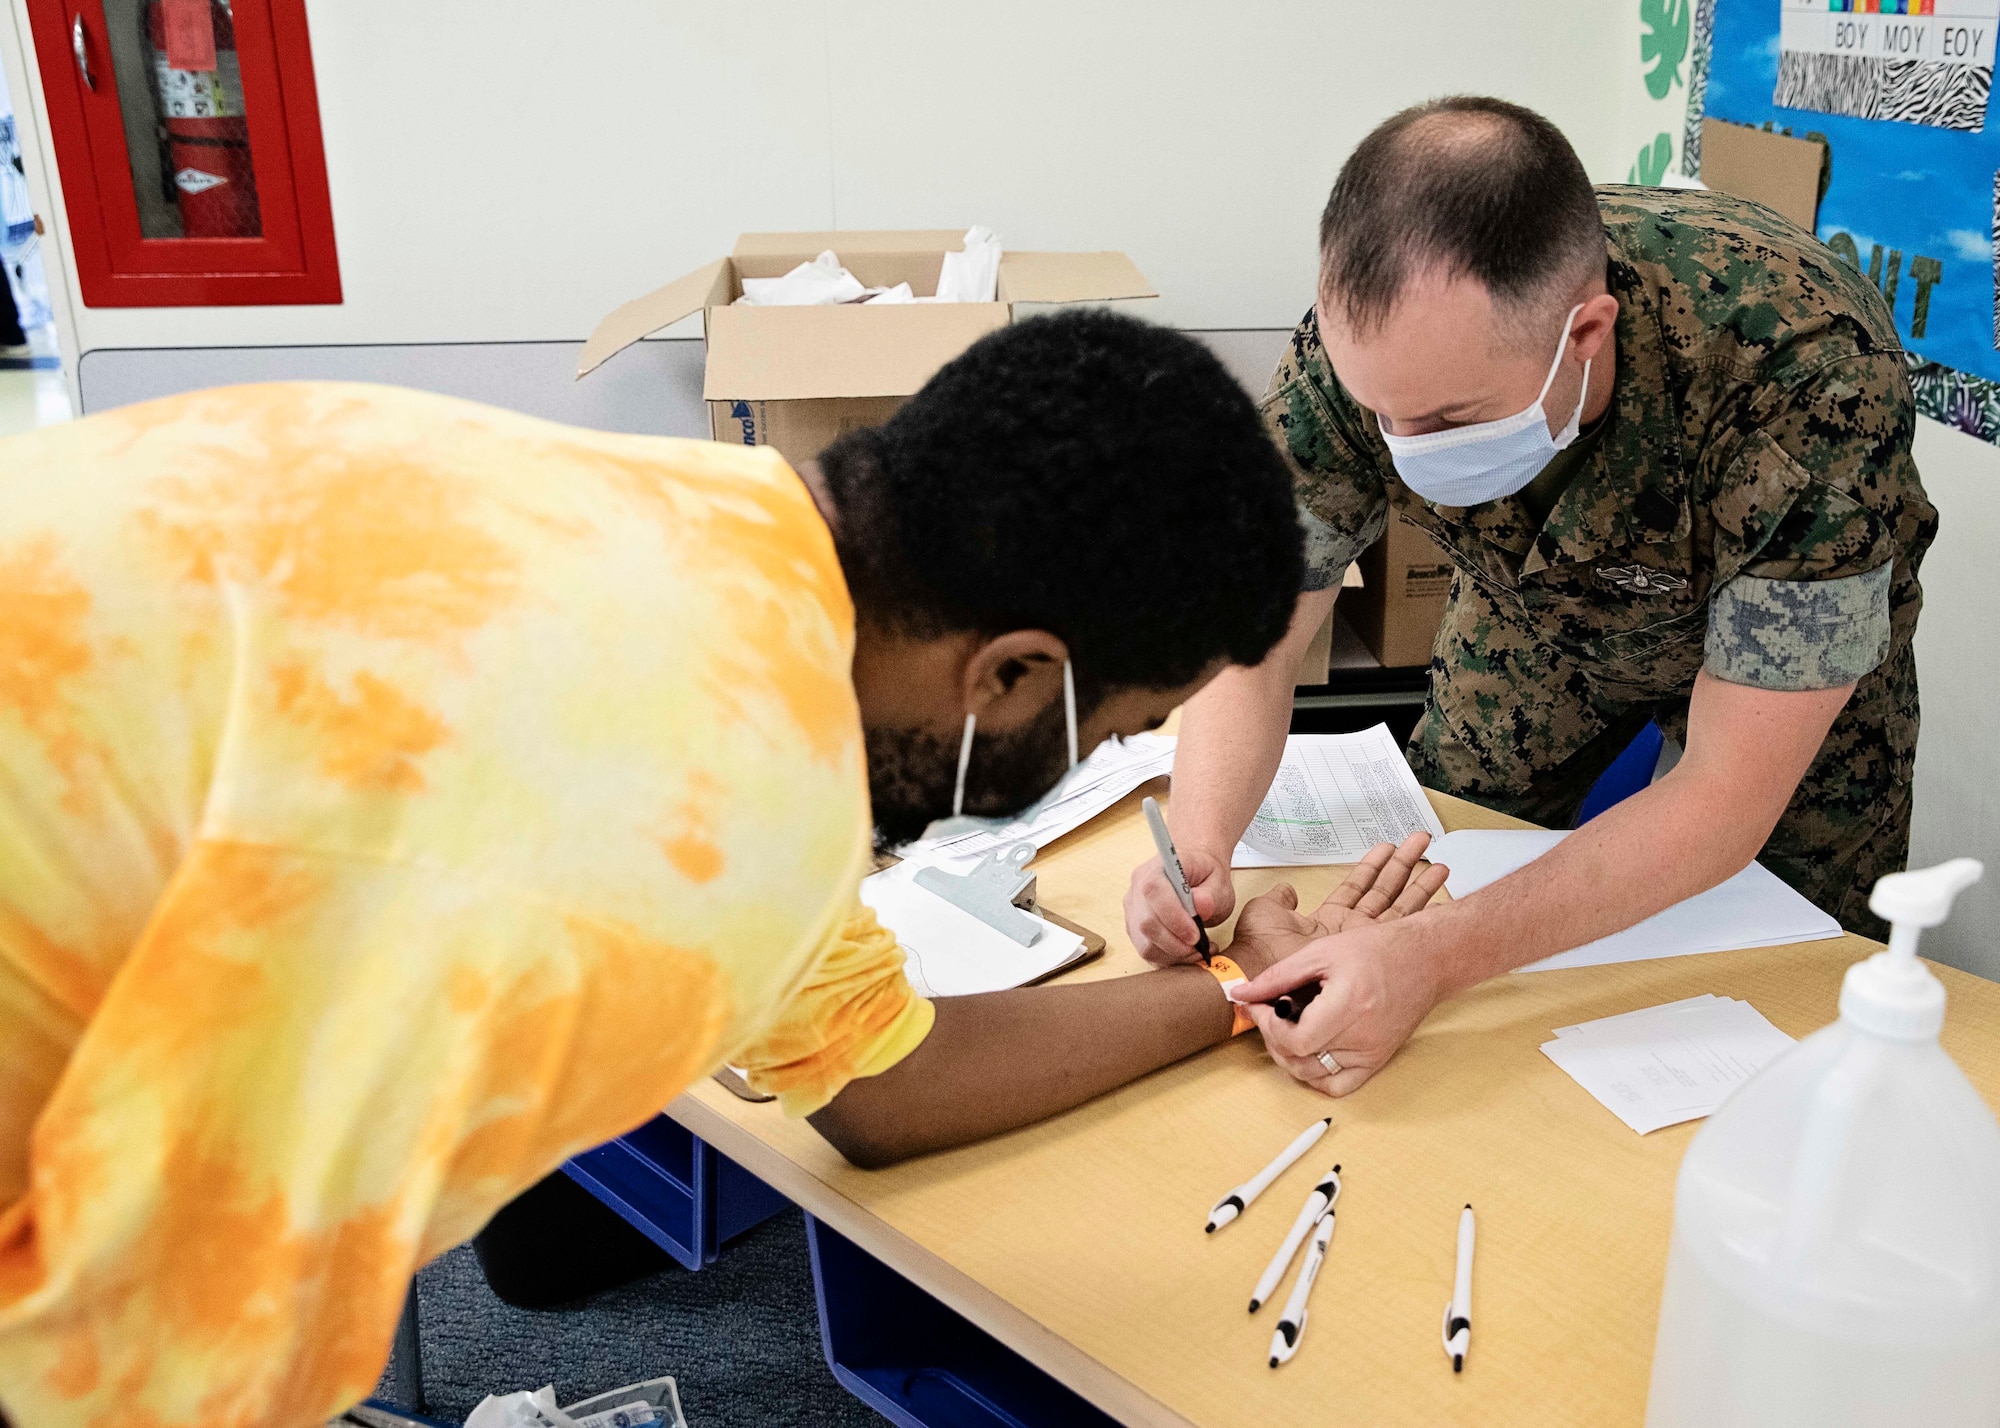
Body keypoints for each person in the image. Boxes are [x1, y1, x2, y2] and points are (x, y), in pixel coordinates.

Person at [0, 311, 1446, 1427]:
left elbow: (884, 1082)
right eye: (1115, 732)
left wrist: (1238, 989)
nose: (1092, 775)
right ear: (1014, 675)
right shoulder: (669, 839)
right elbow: (134, 1363)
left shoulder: (714, 538)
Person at [1126, 96, 1937, 1099]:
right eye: (1383, 416)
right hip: (1532, 617)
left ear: (1583, 333)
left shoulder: (1803, 375)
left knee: (1781, 990)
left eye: (1447, 419)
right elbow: (1248, 643)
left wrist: (1433, 960)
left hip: (1784, 676)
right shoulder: (1374, 340)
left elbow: (1723, 797)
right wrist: (1199, 845)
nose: (1405, 448)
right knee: (1428, 872)